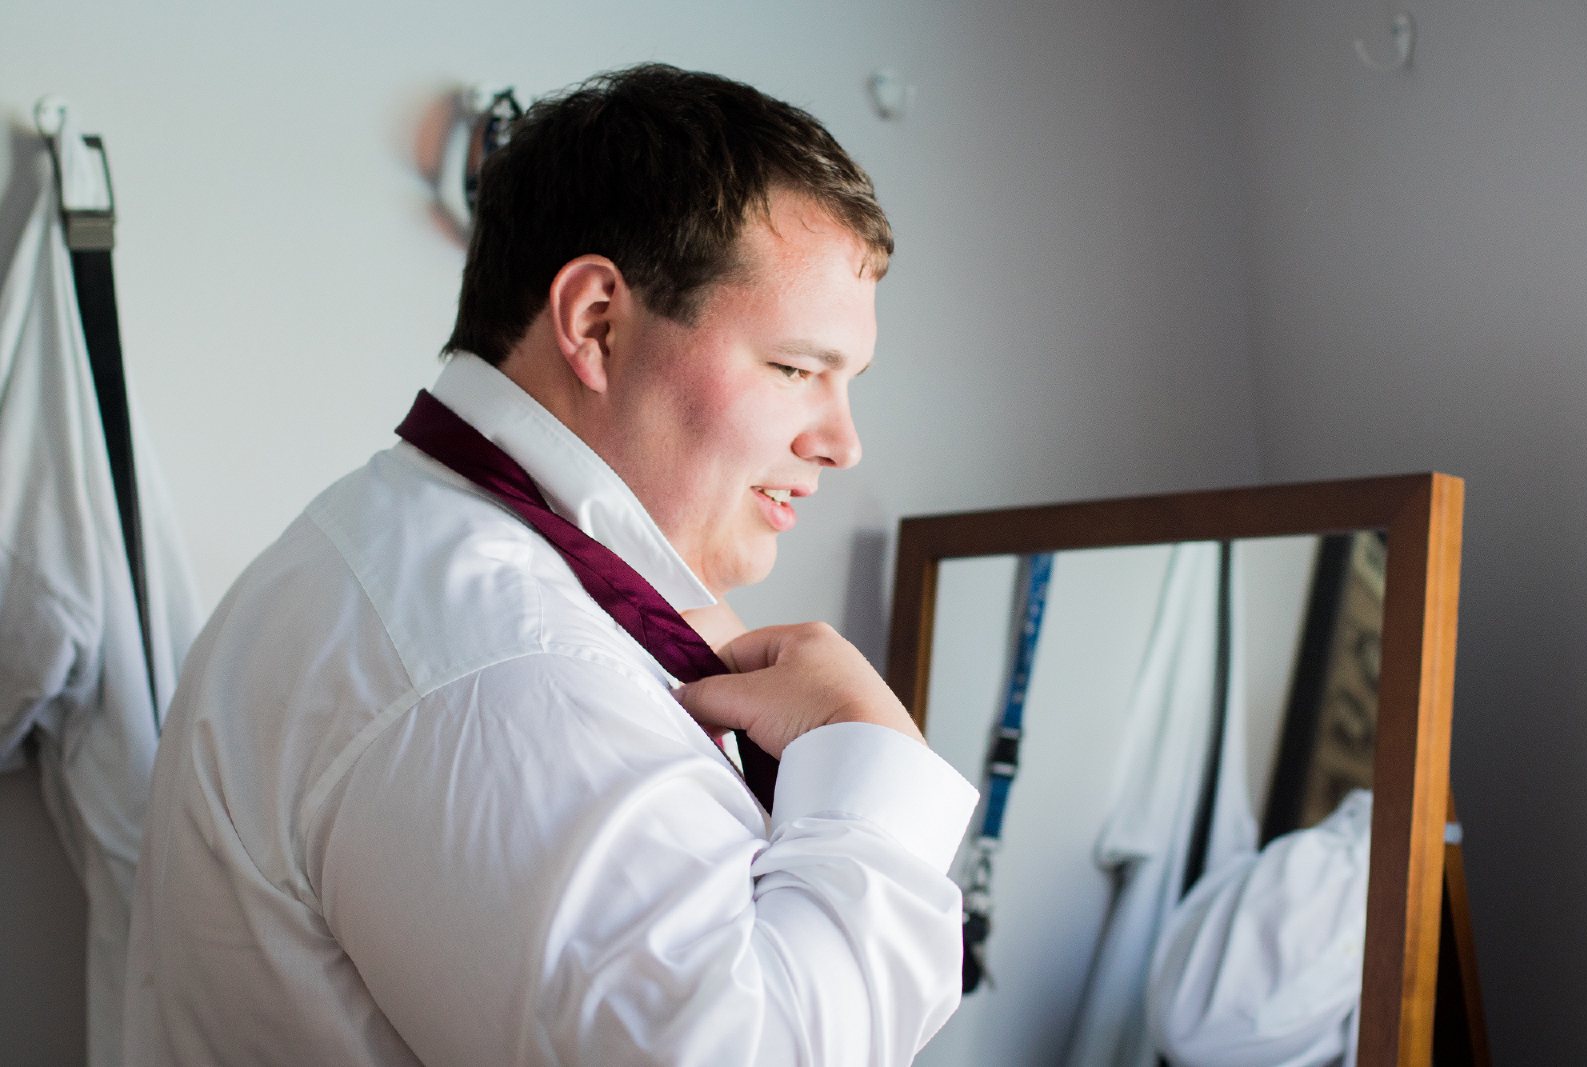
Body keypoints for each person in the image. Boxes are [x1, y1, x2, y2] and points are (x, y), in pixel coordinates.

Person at [123, 64, 979, 1066]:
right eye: (795, 368)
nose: (841, 442)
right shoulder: (497, 666)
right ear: (595, 323)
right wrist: (864, 763)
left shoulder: (414, 559)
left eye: (848, 382)